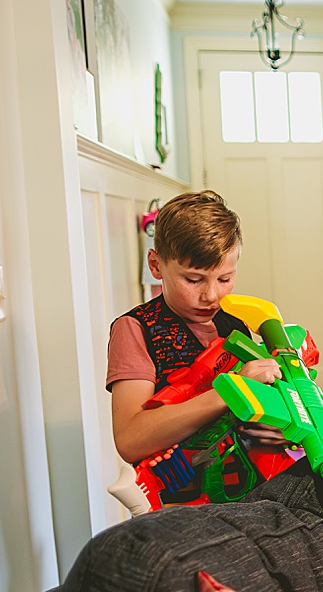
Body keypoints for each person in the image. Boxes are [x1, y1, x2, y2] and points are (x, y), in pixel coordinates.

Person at [107, 190, 285, 466]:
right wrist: (233, 391)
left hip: (252, 479)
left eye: (225, 278)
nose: (211, 295)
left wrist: (278, 427)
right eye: (193, 280)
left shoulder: (234, 323)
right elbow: (130, 440)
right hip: (188, 499)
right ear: (156, 265)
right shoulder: (135, 329)